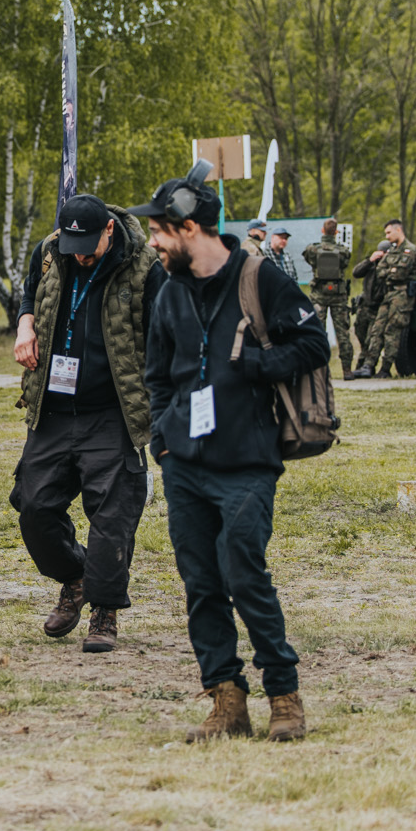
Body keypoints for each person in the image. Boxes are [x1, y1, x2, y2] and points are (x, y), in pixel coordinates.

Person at [130, 170, 328, 741]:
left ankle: (284, 697)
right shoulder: (169, 289)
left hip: (247, 460)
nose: (153, 242)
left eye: (159, 231)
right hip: (184, 463)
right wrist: (164, 440)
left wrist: (255, 366)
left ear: (190, 228)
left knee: (244, 571)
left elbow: (314, 343)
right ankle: (226, 701)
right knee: (201, 583)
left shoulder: (259, 277)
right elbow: (157, 374)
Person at [10, 193, 166, 653]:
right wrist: (24, 325)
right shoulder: (49, 251)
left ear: (109, 230)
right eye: (71, 245)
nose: (79, 255)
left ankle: (104, 611)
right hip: (53, 408)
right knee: (34, 508)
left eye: (87, 245)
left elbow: (163, 336)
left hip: (112, 412)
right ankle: (75, 578)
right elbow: (29, 295)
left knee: (112, 518)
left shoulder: (145, 267)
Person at [350, 220, 416, 380]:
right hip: (389, 294)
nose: (387, 236)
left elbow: (400, 274)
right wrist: (391, 270)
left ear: (398, 230)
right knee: (377, 330)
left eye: (389, 233)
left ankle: (385, 368)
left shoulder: (410, 250)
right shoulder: (392, 251)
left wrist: (390, 271)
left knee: (392, 332)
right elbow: (379, 271)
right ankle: (368, 366)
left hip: (402, 296)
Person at [302, 218, 356, 378]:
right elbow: (345, 264)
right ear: (336, 232)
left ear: (322, 230)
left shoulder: (312, 249)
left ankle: (321, 370)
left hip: (319, 295)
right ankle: (347, 370)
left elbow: (308, 260)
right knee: (343, 333)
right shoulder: (343, 251)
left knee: (318, 331)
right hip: (338, 295)